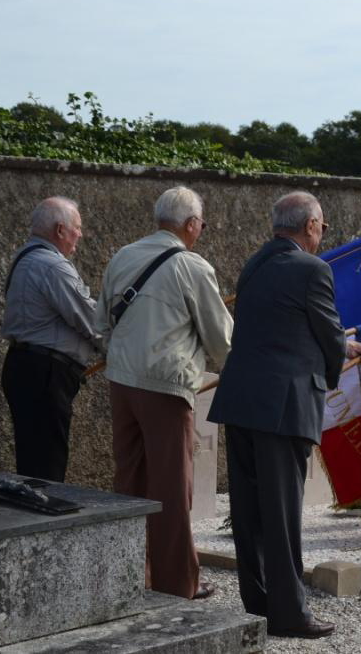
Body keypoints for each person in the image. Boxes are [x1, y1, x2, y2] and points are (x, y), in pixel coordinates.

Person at [207, 191, 361, 639]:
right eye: (323, 226)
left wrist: (340, 346)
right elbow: (325, 329)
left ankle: (259, 605)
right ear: (311, 225)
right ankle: (289, 615)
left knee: (249, 513)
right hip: (282, 407)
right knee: (281, 516)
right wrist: (341, 349)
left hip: (241, 401)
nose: (322, 233)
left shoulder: (255, 264)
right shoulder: (312, 268)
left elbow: (281, 327)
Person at [94, 186, 232, 600]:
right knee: (171, 487)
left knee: (129, 479)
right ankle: (176, 583)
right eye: (201, 224)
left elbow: (102, 322)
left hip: (122, 380)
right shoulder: (192, 266)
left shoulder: (123, 256)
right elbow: (221, 338)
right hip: (166, 385)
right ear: (190, 224)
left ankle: (128, 574)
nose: (201, 231)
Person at [1, 196, 101, 482]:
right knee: (47, 466)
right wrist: (122, 347)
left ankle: (33, 507)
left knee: (32, 460)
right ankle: (43, 511)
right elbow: (90, 320)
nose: (80, 234)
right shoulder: (52, 266)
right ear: (60, 230)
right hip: (46, 373)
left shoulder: (23, 258)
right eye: (77, 228)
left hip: (23, 365)